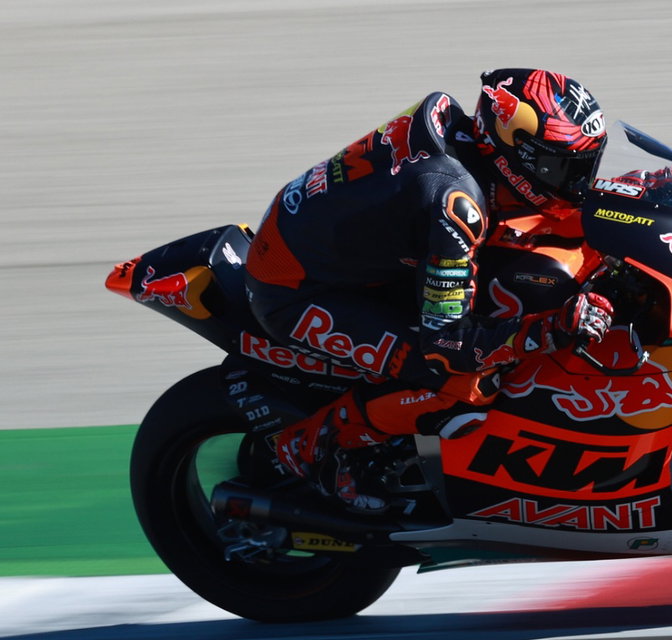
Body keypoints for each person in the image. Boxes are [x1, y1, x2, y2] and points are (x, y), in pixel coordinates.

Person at [243, 68, 614, 513]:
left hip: (344, 249)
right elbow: (447, 343)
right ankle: (311, 449)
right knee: (460, 383)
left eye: (585, 167)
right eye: (561, 169)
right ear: (513, 156)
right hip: (297, 290)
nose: (577, 184)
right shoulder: (456, 202)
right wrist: (547, 330)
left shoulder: (464, 137)